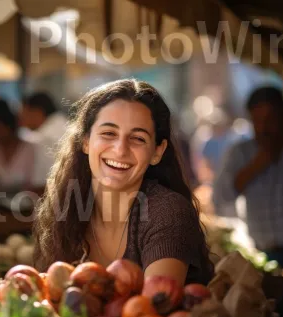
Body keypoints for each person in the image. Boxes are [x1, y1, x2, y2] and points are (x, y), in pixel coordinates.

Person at [33, 79, 213, 285]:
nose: (120, 150)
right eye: (109, 133)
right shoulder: (65, 207)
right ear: (85, 141)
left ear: (157, 152)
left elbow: (153, 308)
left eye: (138, 138)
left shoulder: (168, 212)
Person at [212, 86, 283, 317]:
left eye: (271, 119)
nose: (264, 128)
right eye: (257, 121)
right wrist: (257, 164)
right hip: (261, 258)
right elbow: (220, 198)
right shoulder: (241, 152)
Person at [19, 92, 68, 193]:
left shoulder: (43, 138)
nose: (21, 119)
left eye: (24, 113)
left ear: (37, 112)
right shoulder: (65, 125)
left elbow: (41, 183)